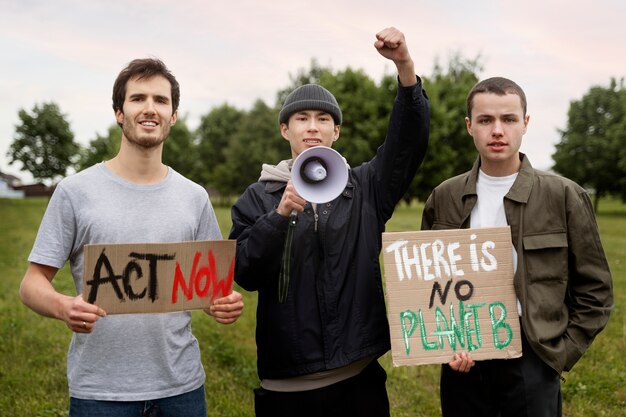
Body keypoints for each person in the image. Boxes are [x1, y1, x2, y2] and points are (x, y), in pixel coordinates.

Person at [18, 58, 244, 417]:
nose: (150, 108)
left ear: (173, 115)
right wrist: (64, 307)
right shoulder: (75, 192)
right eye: (138, 98)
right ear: (119, 112)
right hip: (100, 393)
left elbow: (208, 289)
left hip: (181, 389)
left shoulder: (194, 197)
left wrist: (222, 302)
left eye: (161, 100)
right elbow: (31, 283)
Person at [229, 27, 429, 417]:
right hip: (286, 379)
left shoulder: (366, 187)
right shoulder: (258, 197)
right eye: (301, 118)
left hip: (358, 375)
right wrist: (280, 214)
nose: (312, 127)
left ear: (335, 132)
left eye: (323, 119)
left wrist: (404, 67)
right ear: (285, 130)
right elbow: (246, 272)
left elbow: (408, 142)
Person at [421, 76, 613, 417]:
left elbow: (595, 291)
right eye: (485, 120)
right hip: (464, 357)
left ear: (525, 123)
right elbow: (429, 286)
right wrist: (447, 344)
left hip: (533, 355)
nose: (498, 130)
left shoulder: (564, 195)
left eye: (508, 119)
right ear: (469, 126)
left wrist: (559, 354)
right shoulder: (444, 197)